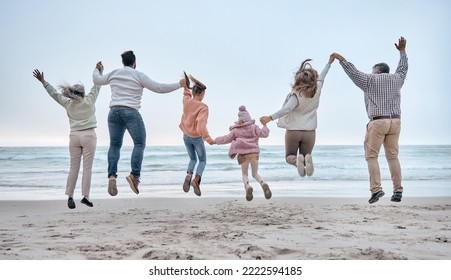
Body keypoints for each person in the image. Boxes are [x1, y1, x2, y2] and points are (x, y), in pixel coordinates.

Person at [92, 51, 185, 196]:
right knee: (139, 143)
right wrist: (179, 84)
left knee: (115, 145)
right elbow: (159, 88)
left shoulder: (114, 73)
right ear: (134, 63)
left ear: (123, 62)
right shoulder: (138, 75)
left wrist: (97, 69)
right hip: (131, 112)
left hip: (113, 112)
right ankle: (134, 176)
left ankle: (112, 176)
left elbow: (97, 80)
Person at [330, 36, 408, 204]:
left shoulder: (369, 80)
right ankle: (398, 191)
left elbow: (353, 72)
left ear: (377, 71)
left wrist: (340, 59)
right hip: (395, 122)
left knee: (371, 156)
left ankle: (376, 190)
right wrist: (402, 52)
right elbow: (403, 68)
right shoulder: (397, 79)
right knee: (393, 156)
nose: (371, 72)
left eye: (373, 70)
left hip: (378, 121)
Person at [33, 67, 101, 209]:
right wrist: (98, 71)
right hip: (89, 135)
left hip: (74, 136)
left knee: (73, 168)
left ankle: (70, 196)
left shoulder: (67, 103)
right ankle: (85, 196)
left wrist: (43, 81)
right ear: (83, 93)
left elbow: (54, 94)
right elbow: (97, 85)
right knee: (87, 168)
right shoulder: (89, 100)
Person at [260, 55, 334, 177]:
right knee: (306, 157)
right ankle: (305, 159)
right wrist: (329, 63)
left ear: (297, 80)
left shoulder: (296, 94)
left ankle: (296, 161)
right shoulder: (318, 89)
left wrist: (270, 117)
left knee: (290, 156)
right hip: (310, 132)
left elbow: (287, 109)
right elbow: (323, 76)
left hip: (294, 131)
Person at [214, 105, 271, 201]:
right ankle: (263, 183)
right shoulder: (254, 127)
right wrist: (265, 125)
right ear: (248, 118)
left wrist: (215, 141)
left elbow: (226, 139)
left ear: (240, 119)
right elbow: (264, 134)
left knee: (245, 174)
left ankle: (247, 186)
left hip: (243, 155)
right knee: (255, 174)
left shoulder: (236, 130)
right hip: (254, 154)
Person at [179, 72, 214, 196]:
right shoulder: (203, 107)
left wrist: (185, 86)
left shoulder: (186, 101)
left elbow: (185, 93)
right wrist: (208, 139)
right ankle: (196, 180)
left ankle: (189, 174)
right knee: (202, 160)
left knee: (192, 159)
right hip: (196, 138)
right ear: (202, 94)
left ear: (193, 92)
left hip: (185, 136)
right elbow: (201, 125)